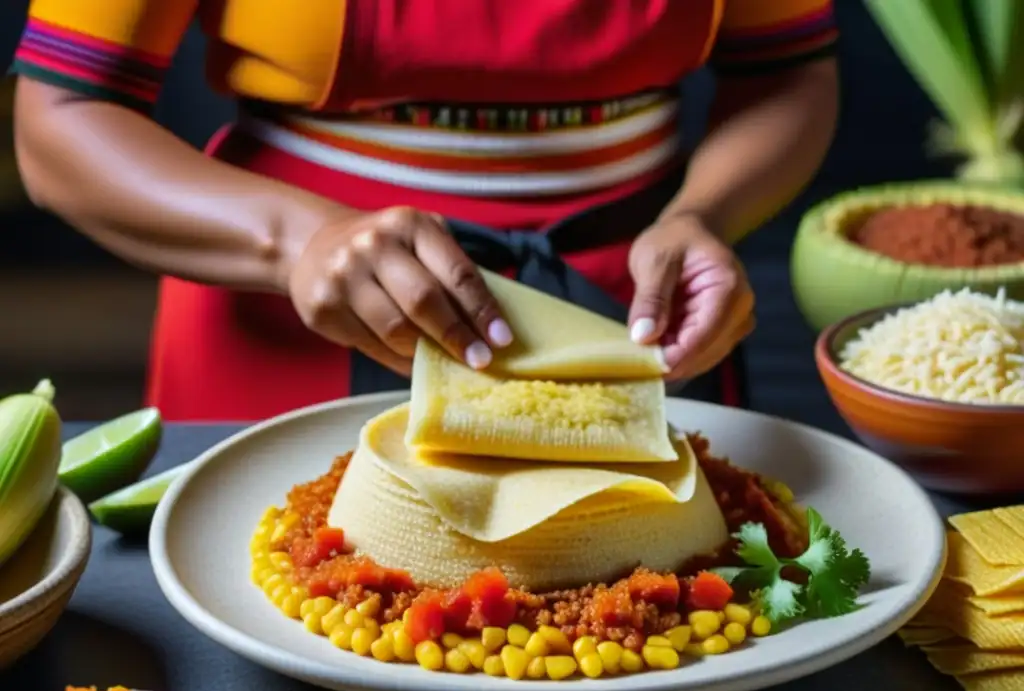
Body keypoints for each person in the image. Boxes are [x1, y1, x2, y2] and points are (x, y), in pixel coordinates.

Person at [11, 0, 839, 421]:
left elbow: (788, 71)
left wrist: (702, 216)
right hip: (293, 314)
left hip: (634, 315)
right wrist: (300, 240)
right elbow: (62, 121)